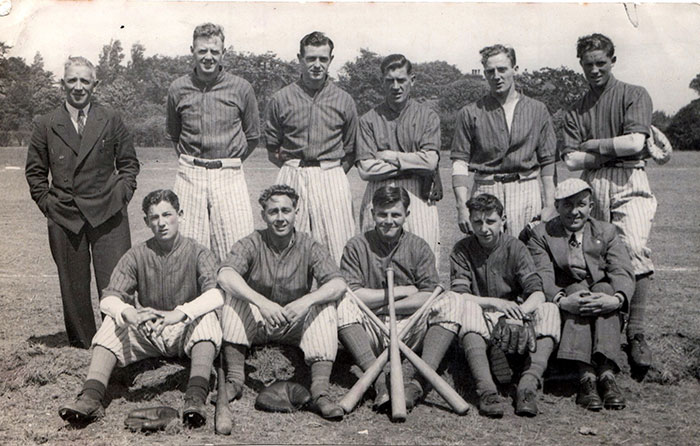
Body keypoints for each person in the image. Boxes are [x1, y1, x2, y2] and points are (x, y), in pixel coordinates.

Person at [58, 189, 223, 427]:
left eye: (167, 215)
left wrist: (180, 313)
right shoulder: (137, 254)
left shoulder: (198, 252)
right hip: (149, 331)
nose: (162, 223)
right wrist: (130, 313)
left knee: (207, 318)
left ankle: (195, 398)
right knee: (113, 320)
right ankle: (91, 398)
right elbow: (108, 298)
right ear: (146, 221)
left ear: (181, 214)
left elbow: (216, 294)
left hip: (183, 330)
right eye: (154, 217)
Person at [25, 56, 139, 349]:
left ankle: (117, 345)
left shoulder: (110, 118)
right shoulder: (46, 124)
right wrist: (50, 206)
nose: (78, 87)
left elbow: (128, 164)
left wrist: (121, 194)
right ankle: (83, 348)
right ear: (62, 84)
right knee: (74, 289)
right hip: (65, 215)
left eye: (84, 81)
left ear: (94, 85)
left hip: (108, 213)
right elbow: (35, 173)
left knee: (115, 283)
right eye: (72, 80)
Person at [562, 33, 656, 371]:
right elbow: (571, 161)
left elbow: (634, 144)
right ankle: (606, 330)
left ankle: (637, 332)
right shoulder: (577, 106)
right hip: (592, 184)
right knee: (597, 256)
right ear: (581, 65)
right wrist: (606, 151)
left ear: (612, 60)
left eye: (601, 62)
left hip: (630, 178)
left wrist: (595, 144)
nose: (595, 69)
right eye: (589, 64)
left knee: (634, 249)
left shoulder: (634, 93)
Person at [217, 185, 347, 420]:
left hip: (293, 321)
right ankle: (235, 379)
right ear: (263, 215)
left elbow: (338, 283)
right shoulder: (252, 242)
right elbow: (225, 274)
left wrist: (306, 301)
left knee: (324, 305)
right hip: (258, 321)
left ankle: (320, 392)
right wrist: (261, 303)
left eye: (286, 211)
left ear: (296, 211)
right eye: (273, 211)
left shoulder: (309, 245)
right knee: (232, 297)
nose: (280, 218)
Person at [337, 186, 463, 411]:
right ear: (372, 213)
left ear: (407, 215)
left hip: (410, 326)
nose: (388, 220)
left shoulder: (418, 246)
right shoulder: (356, 246)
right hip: (371, 329)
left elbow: (428, 294)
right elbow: (354, 294)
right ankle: (377, 381)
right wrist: (401, 291)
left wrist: (384, 305)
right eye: (382, 214)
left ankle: (416, 382)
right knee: (343, 304)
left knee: (452, 301)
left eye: (395, 214)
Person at [527, 179, 634, 411]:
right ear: (556, 206)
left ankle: (607, 375)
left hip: (600, 290)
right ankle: (586, 376)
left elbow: (621, 269)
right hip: (568, 293)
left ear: (591, 206)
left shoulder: (606, 231)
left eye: (581, 204)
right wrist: (562, 300)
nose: (575, 211)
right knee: (578, 292)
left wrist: (616, 299)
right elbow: (542, 275)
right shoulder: (542, 234)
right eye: (567, 205)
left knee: (605, 289)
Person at [450, 194, 560, 418]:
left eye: (490, 221)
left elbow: (537, 292)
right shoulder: (462, 248)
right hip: (480, 316)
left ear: (503, 220)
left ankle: (527, 387)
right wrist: (496, 303)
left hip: (514, 319)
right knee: (466, 307)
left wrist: (519, 313)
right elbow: (460, 294)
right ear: (470, 222)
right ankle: (487, 390)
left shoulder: (516, 246)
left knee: (550, 310)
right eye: (477, 222)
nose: (484, 228)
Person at [166, 23, 260, 261]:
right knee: (188, 250)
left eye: (214, 52)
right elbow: (175, 135)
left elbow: (252, 136)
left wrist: (228, 161)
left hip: (228, 174)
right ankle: (197, 300)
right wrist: (194, 163)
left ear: (223, 53)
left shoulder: (241, 87)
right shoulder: (178, 88)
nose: (208, 57)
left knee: (236, 249)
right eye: (202, 51)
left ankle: (233, 300)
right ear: (192, 51)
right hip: (190, 174)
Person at [264, 31, 358, 263]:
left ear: (330, 60)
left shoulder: (344, 99)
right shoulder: (281, 98)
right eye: (311, 58)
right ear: (300, 58)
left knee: (338, 244)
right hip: (293, 172)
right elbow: (272, 147)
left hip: (330, 174)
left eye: (323, 59)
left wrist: (329, 172)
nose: (317, 65)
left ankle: (340, 298)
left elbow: (351, 148)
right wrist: (295, 168)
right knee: (289, 243)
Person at [450, 44, 557, 238]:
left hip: (526, 188)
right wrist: (461, 206)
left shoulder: (537, 109)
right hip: (486, 188)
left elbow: (548, 161)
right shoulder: (470, 112)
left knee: (526, 254)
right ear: (484, 74)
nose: (496, 76)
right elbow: (459, 162)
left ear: (515, 70)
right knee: (485, 258)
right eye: (490, 71)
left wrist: (550, 204)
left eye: (502, 69)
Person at [356, 54, 442, 261]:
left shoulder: (427, 116)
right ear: (382, 82)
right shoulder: (368, 119)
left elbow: (430, 161)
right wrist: (413, 162)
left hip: (417, 193)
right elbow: (366, 169)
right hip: (379, 191)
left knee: (423, 257)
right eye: (390, 81)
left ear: (412, 80)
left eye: (401, 80)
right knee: (375, 261)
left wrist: (390, 156)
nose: (396, 86)